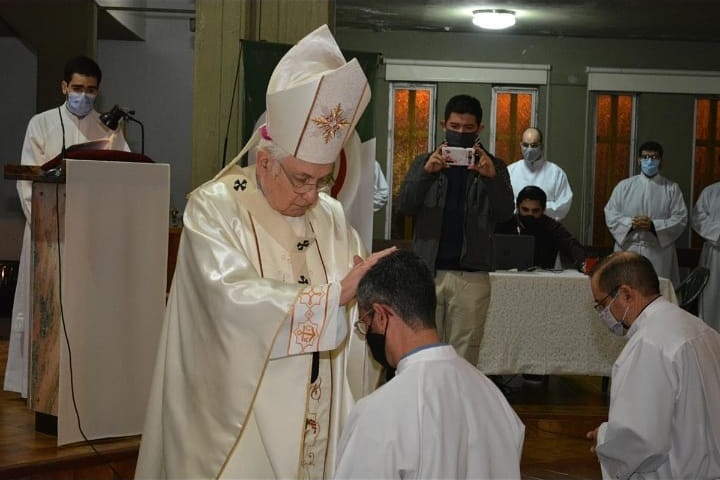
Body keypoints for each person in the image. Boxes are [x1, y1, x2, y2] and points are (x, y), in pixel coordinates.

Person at [135, 25, 394, 479]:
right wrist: (332, 299)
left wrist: (367, 305)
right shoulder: (214, 209)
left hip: (319, 409)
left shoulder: (331, 215)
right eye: (301, 179)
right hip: (241, 423)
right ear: (266, 160)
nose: (314, 194)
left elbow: (353, 307)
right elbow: (227, 303)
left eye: (323, 178)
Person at [334, 249, 525, 479]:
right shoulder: (495, 399)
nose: (367, 332)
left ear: (381, 315)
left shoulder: (378, 413)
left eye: (366, 323)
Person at [4, 55, 129, 397]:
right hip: (48, 232)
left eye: (90, 90)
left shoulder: (108, 129)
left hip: (91, 235)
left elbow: (124, 174)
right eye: (77, 88)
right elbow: (26, 179)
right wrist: (49, 221)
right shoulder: (41, 123)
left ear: (99, 92)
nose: (83, 95)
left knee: (84, 310)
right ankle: (36, 382)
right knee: (44, 309)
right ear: (63, 87)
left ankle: (83, 383)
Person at [398, 94, 514, 368]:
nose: (460, 133)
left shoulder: (494, 167)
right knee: (423, 351)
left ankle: (457, 410)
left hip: (471, 276)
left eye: (468, 128)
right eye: (455, 126)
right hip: (428, 272)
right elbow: (405, 206)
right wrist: (426, 172)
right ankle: (425, 408)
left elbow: (506, 214)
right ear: (443, 124)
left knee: (465, 356)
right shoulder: (425, 162)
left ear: (480, 130)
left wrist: (492, 179)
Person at [586, 251, 720, 479]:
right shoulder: (704, 330)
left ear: (626, 294)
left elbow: (641, 438)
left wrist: (604, 437)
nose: (603, 315)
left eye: (602, 305)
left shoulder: (648, 344)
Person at [604, 140, 688, 286]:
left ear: (661, 161)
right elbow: (610, 213)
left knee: (656, 291)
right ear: (639, 160)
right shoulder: (624, 186)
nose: (649, 161)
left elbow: (680, 219)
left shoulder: (671, 188)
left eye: (654, 157)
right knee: (626, 290)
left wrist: (653, 226)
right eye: (645, 157)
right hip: (629, 249)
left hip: (658, 252)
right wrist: (631, 224)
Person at [496, 185, 586, 271]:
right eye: (525, 209)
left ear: (543, 209)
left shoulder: (551, 226)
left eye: (535, 211)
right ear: (517, 207)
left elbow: (571, 245)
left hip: (543, 277)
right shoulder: (505, 225)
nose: (530, 214)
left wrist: (582, 263)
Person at [508, 127, 573, 220]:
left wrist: (540, 210)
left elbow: (564, 204)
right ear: (520, 145)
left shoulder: (556, 173)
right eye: (525, 145)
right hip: (516, 229)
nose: (529, 149)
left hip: (547, 229)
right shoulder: (510, 171)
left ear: (541, 146)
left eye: (534, 145)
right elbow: (504, 202)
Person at [691, 180, 720, 331]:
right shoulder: (710, 192)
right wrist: (718, 232)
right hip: (715, 255)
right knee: (711, 301)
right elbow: (698, 218)